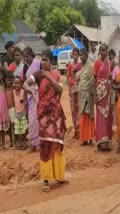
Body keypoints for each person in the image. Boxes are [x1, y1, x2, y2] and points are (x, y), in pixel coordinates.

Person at [23, 49, 67, 192]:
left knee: (57, 145)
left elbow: (60, 91)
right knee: (46, 145)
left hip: (55, 115)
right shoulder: (38, 75)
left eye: (45, 60)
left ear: (51, 62)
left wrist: (49, 77)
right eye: (42, 60)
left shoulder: (55, 75)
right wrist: (32, 93)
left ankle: (60, 176)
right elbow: (25, 84)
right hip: (44, 116)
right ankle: (46, 180)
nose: (43, 62)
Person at [94, 44, 113, 151]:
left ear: (107, 51)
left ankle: (107, 142)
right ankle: (100, 142)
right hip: (99, 91)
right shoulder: (96, 63)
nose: (102, 52)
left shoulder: (109, 63)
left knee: (107, 116)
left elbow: (110, 77)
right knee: (100, 116)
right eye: (101, 50)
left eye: (104, 50)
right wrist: (95, 95)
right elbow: (94, 79)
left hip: (107, 91)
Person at [23, 47, 41, 153]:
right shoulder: (25, 67)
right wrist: (25, 100)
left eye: (27, 56)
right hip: (30, 97)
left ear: (31, 55)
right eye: (24, 57)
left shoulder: (38, 63)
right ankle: (33, 144)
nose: (26, 59)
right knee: (32, 121)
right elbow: (24, 84)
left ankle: (41, 144)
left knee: (39, 119)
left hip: (39, 95)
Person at [78, 48, 96, 146]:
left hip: (88, 95)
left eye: (82, 55)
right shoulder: (82, 66)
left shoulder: (91, 66)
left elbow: (92, 81)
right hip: (82, 96)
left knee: (89, 117)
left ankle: (90, 139)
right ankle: (84, 139)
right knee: (83, 117)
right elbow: (82, 80)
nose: (81, 57)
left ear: (86, 55)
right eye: (80, 55)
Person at [67, 48, 82, 139]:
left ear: (78, 55)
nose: (75, 56)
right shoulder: (70, 66)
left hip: (79, 90)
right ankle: (76, 131)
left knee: (79, 109)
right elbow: (67, 78)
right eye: (74, 54)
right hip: (72, 90)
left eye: (76, 54)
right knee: (73, 111)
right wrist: (69, 88)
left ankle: (80, 130)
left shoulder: (80, 65)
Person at [13, 76, 28, 150]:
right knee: (17, 130)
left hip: (22, 114)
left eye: (18, 83)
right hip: (16, 114)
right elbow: (14, 102)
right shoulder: (13, 92)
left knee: (23, 130)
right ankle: (19, 143)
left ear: (21, 84)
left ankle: (24, 142)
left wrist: (25, 112)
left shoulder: (23, 92)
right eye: (15, 83)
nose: (16, 85)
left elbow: (25, 102)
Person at [0, 68, 10, 150]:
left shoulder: (3, 84)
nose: (0, 76)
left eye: (1, 74)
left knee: (3, 129)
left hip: (3, 108)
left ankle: (3, 144)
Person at [5, 71, 15, 147]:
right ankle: (11, 141)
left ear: (12, 80)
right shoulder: (3, 88)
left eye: (10, 80)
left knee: (14, 125)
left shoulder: (13, 88)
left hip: (12, 109)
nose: (8, 81)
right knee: (8, 127)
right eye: (7, 80)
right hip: (5, 110)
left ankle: (16, 140)